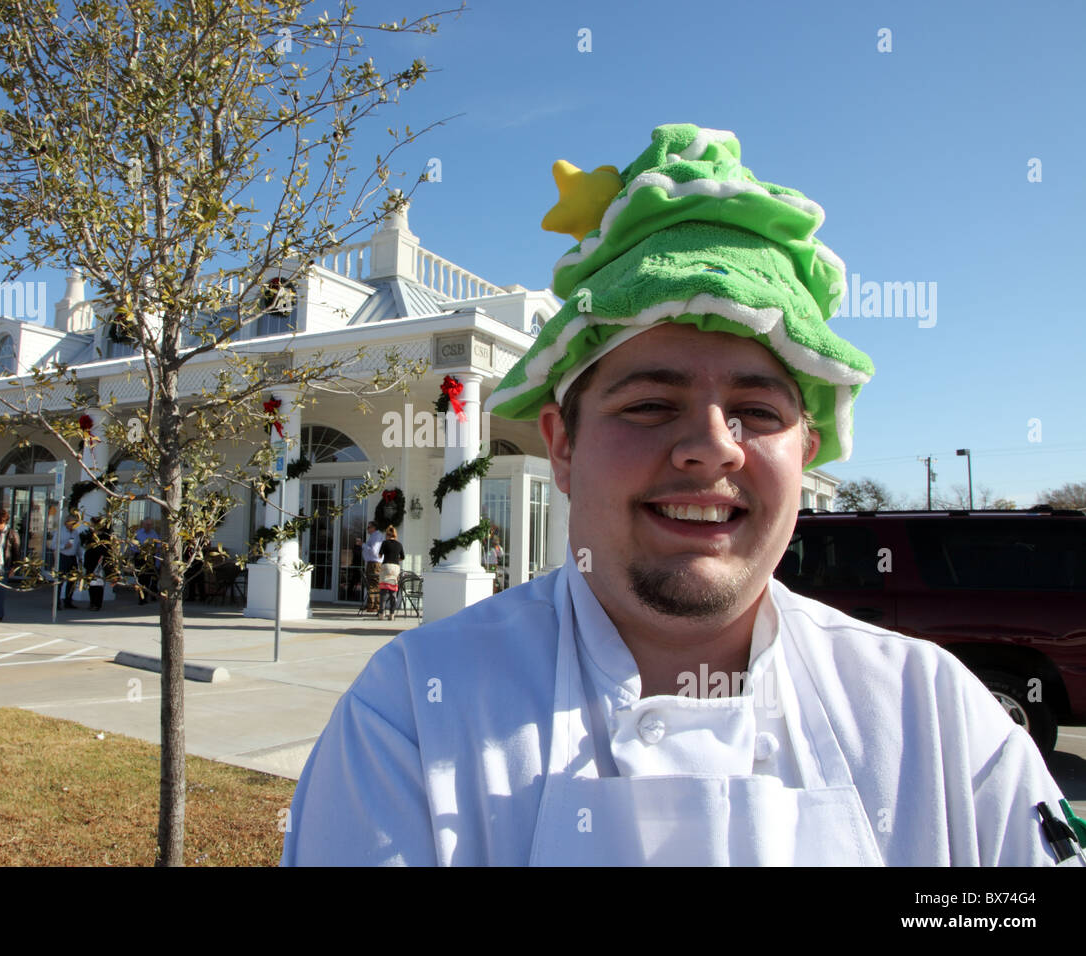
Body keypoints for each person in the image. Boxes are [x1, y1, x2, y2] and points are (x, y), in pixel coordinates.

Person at [282, 124, 1081, 866]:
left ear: (806, 450)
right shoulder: (413, 717)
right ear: (562, 445)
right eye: (650, 405)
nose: (711, 447)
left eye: (758, 412)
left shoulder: (935, 718)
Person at [0, 509, 22, 622]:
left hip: (5, 565)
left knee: (0, 590)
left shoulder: (12, 534)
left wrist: (14, 568)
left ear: (5, 522)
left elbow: (17, 552)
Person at [82, 518, 112, 611]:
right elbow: (85, 545)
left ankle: (97, 604)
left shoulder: (105, 537)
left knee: (98, 584)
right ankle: (92, 602)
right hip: (90, 562)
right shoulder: (90, 535)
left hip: (99, 562)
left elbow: (106, 550)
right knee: (91, 584)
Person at [52, 514, 80, 609]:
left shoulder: (75, 533)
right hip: (63, 557)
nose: (73, 525)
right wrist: (64, 546)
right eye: (71, 522)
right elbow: (53, 545)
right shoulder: (60, 531)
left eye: (74, 523)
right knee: (60, 580)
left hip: (72, 558)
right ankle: (56, 603)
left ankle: (68, 601)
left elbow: (78, 546)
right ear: (66, 522)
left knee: (72, 580)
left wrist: (80, 557)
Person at [376, 526, 405, 621]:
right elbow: (402, 557)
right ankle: (392, 614)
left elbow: (380, 555)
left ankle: (381, 613)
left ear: (387, 535)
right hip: (395, 568)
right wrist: (396, 559)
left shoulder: (384, 543)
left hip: (386, 566)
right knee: (393, 593)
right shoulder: (399, 544)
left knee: (383, 592)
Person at [133, 517, 161, 605]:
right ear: (143, 524)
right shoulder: (138, 533)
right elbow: (133, 546)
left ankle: (148, 595)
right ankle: (141, 598)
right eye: (147, 524)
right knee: (141, 578)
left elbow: (158, 545)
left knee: (149, 578)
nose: (149, 526)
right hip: (140, 557)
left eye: (150, 524)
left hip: (150, 557)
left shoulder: (153, 533)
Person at [362, 521, 384, 613]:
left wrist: (363, 545)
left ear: (374, 528)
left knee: (372, 583)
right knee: (374, 584)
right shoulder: (374, 536)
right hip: (373, 563)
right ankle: (374, 605)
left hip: (374, 563)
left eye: (369, 527)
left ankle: (372, 605)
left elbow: (374, 551)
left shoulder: (376, 536)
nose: (367, 529)